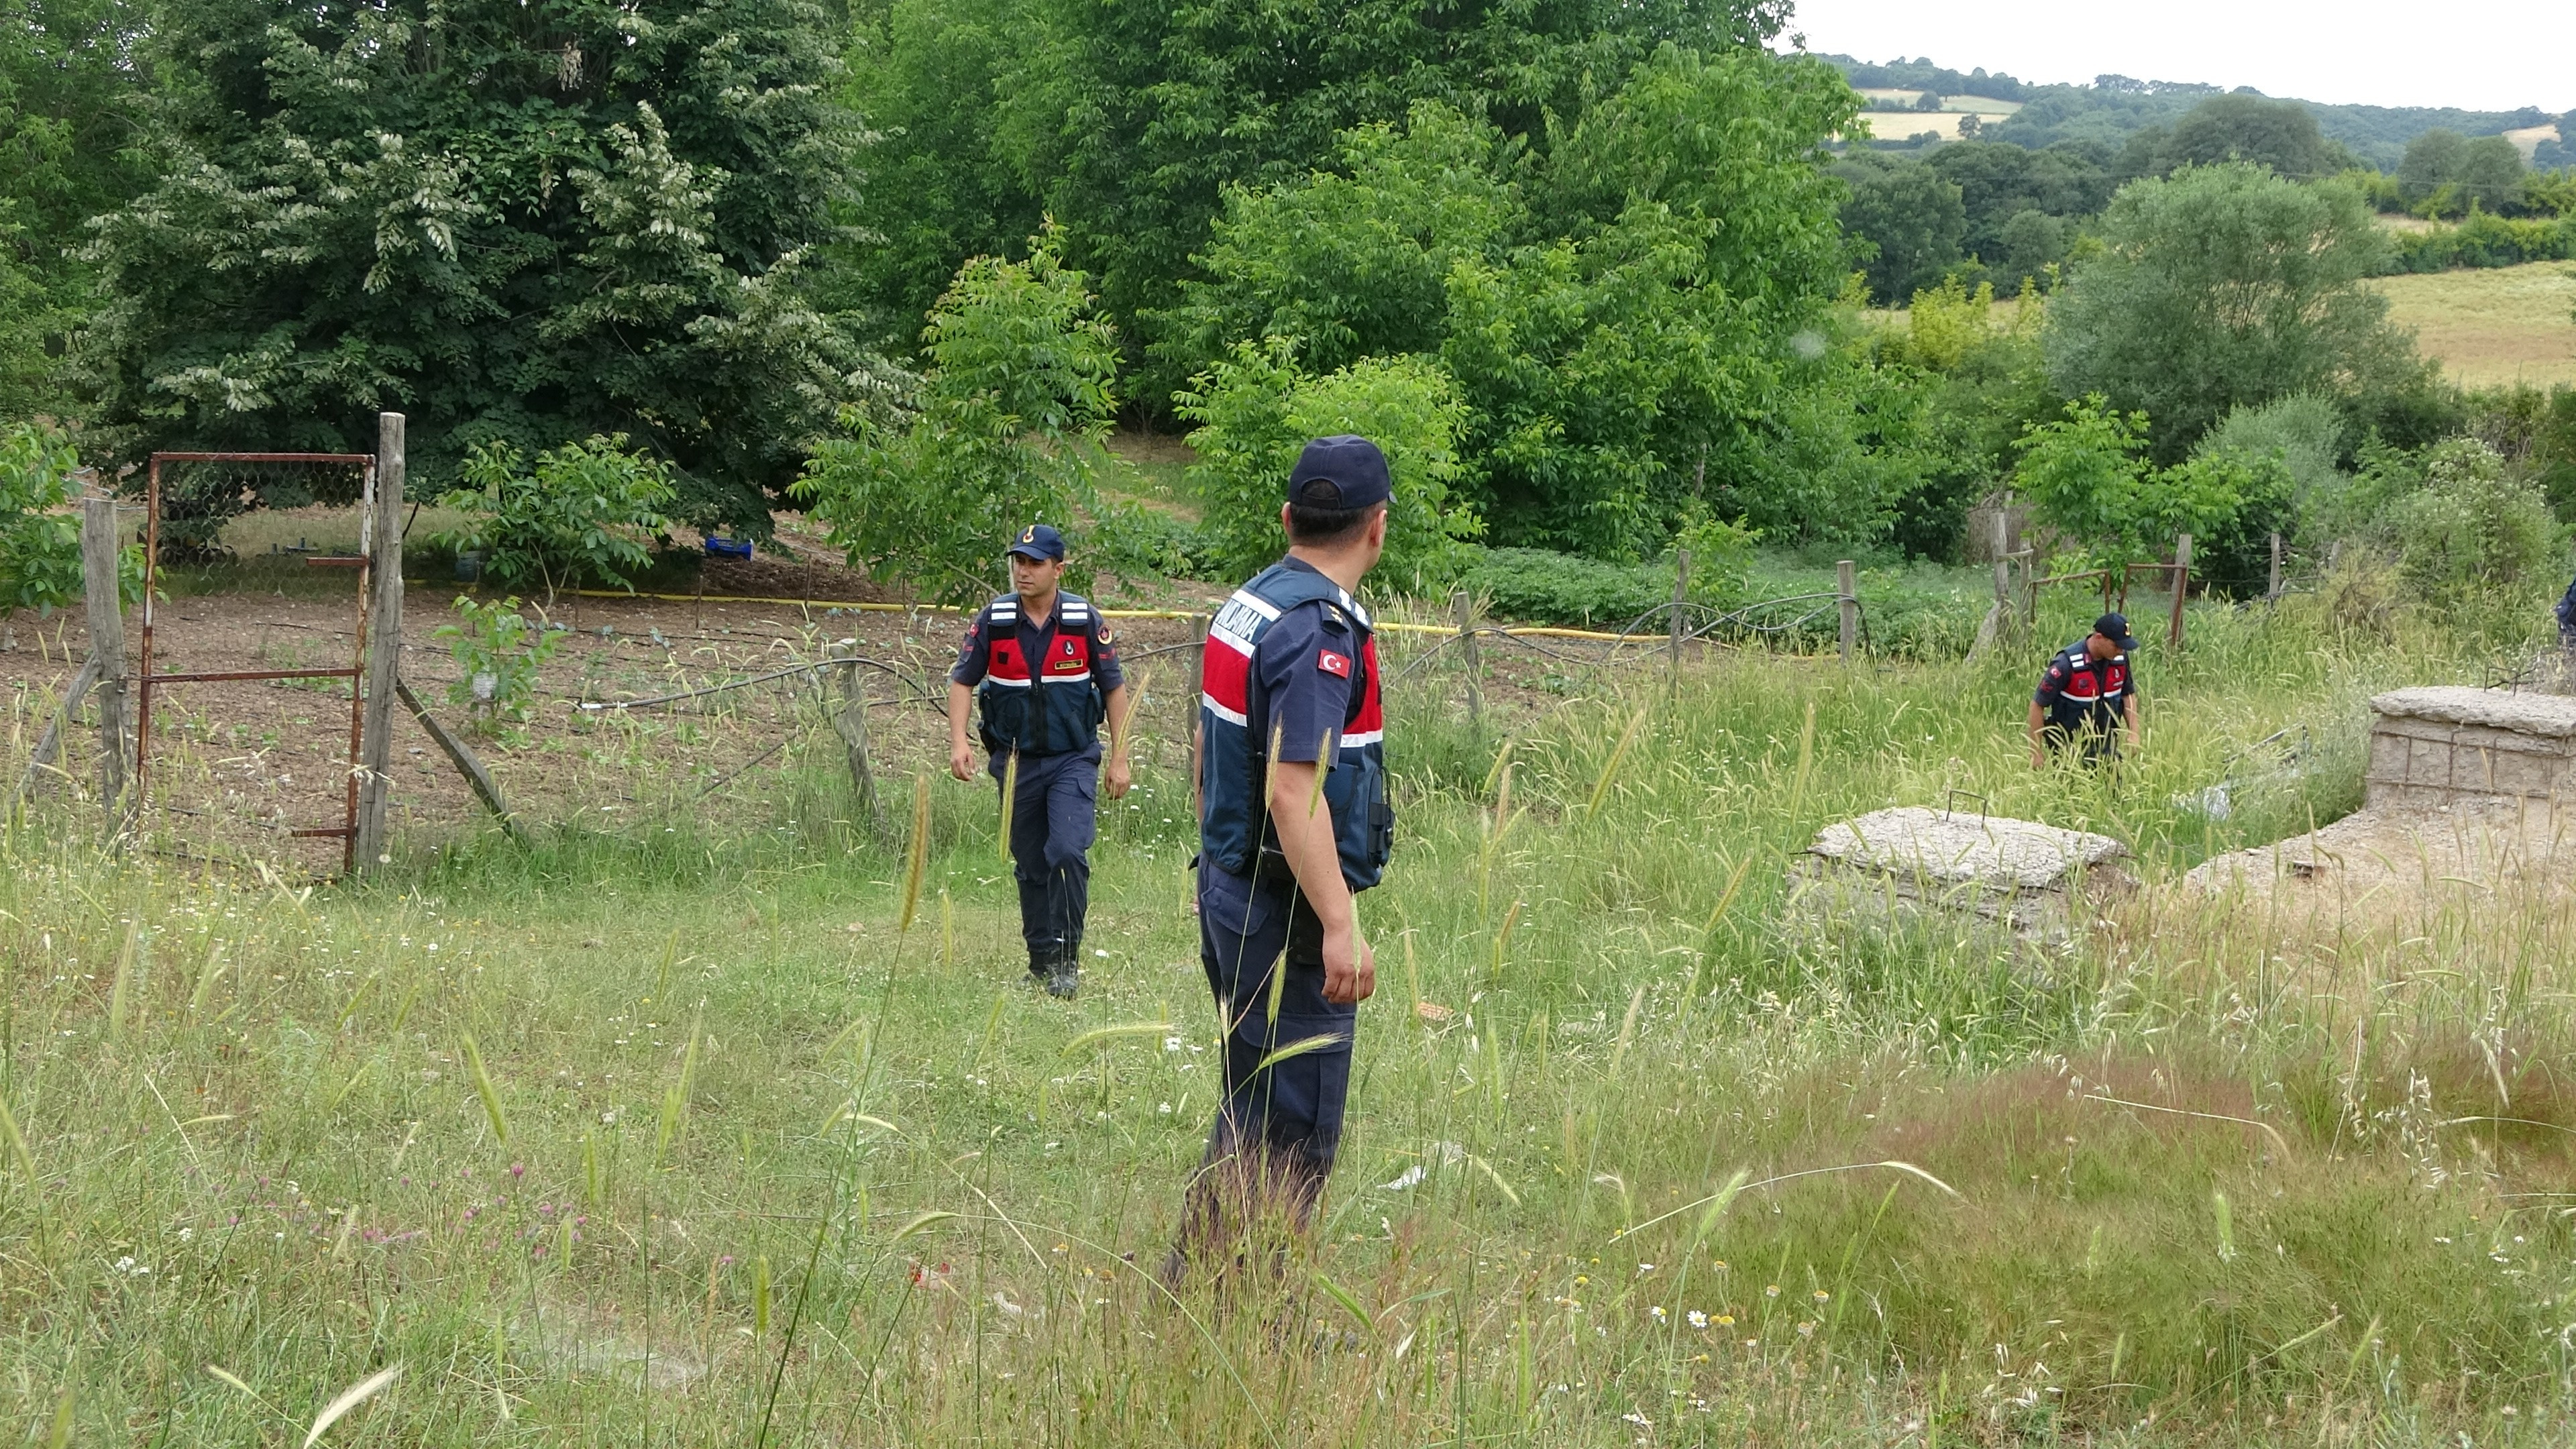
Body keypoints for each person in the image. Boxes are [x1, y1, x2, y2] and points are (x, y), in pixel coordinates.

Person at [1167, 435, 1395, 1287]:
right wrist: (1339, 922)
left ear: (1288, 517)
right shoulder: (1317, 631)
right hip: (1284, 912)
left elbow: (1205, 745)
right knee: (1290, 1122)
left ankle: (1198, 1290)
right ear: (1376, 527)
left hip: (1234, 887)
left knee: (1251, 1106)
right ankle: (1252, 1314)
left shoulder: (1251, 603)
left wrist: (1213, 864)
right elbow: (1293, 796)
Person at [947, 523, 1132, 998]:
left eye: (1034, 563)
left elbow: (1114, 688)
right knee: (1030, 864)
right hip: (1015, 763)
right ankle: (1040, 960)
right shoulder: (994, 619)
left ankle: (1067, 961)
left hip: (1072, 758)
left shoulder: (1083, 620)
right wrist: (959, 742)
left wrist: (1120, 758)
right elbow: (962, 681)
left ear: (1059, 569)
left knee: (1068, 854)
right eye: (1018, 562)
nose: (1023, 571)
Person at [2028, 612, 2141, 767]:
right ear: (2099, 638)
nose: (2121, 651)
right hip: (2069, 753)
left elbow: (2127, 694)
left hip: (2107, 750)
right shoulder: (2066, 664)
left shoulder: (2120, 659)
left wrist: (2134, 732)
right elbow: (2037, 704)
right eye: (2117, 645)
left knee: (2112, 791)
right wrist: (2035, 752)